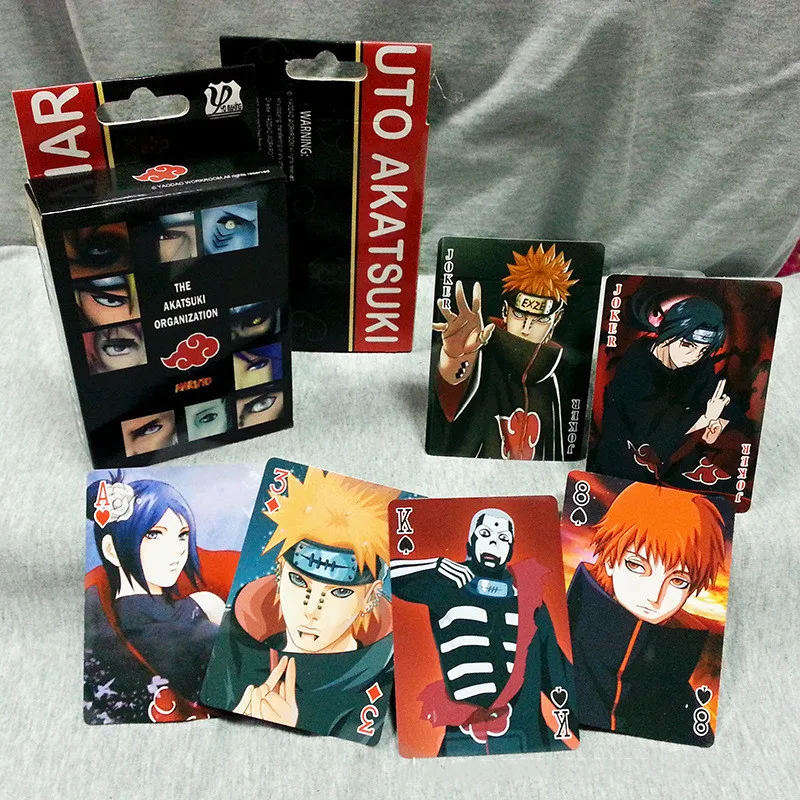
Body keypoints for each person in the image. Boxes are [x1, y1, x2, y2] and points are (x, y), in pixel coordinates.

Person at [202, 468, 399, 745]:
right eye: (299, 581)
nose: (311, 610)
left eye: (339, 592)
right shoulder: (233, 652)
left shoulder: (380, 673)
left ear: (370, 596)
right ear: (279, 573)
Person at [391, 508, 576, 755]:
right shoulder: (446, 584)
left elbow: (556, 674)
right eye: (485, 534)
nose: (493, 543)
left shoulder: (530, 600)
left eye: (503, 538)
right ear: (471, 542)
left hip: (527, 734)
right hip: (461, 741)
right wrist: (434, 565)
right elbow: (384, 577)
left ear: (510, 550)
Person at [566, 481, 726, 745]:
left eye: (678, 581)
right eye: (637, 566)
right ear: (610, 560)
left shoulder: (675, 674)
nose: (655, 595)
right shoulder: (554, 642)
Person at [84, 472, 234, 724]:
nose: (176, 550)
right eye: (154, 534)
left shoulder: (203, 602)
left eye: (182, 535)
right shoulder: (121, 628)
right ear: (111, 550)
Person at [428, 244, 577, 459]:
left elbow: (555, 451)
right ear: (505, 311)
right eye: (519, 315)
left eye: (540, 319)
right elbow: (450, 390)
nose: (526, 328)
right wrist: (456, 358)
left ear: (557, 319)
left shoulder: (550, 376)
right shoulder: (482, 354)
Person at [590, 291, 731, 486]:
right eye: (688, 345)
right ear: (669, 334)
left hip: (677, 459)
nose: (694, 356)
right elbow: (650, 426)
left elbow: (708, 402)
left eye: (703, 350)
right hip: (625, 461)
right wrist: (705, 418)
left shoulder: (700, 364)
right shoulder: (637, 362)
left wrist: (714, 425)